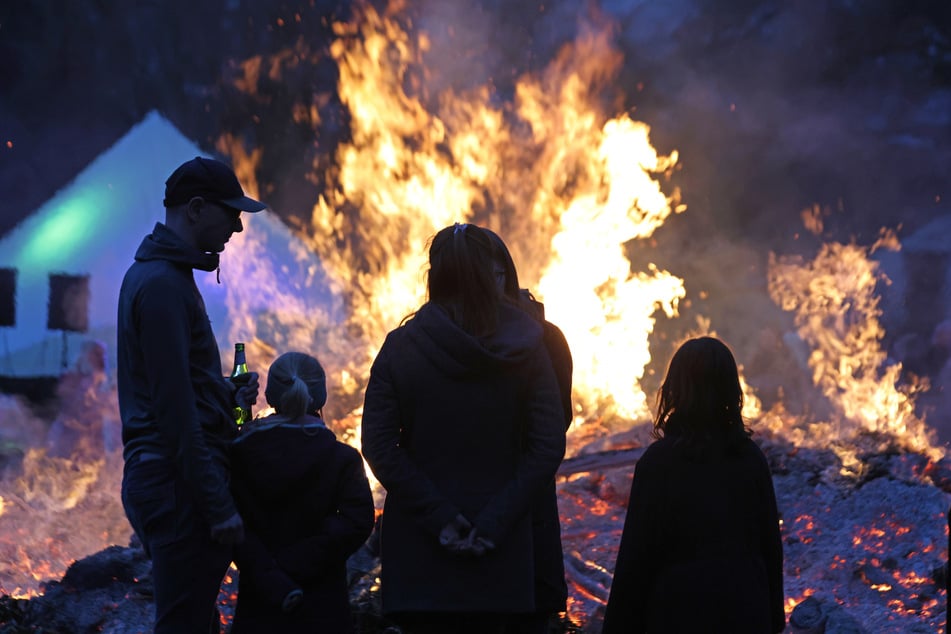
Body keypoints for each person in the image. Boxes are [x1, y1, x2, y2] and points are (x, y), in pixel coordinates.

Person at [361, 222, 567, 634]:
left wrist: (442, 518)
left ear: (436, 276)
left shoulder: (401, 347)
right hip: (504, 559)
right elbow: (547, 444)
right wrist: (493, 524)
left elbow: (379, 446)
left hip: (423, 563)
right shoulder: (529, 347)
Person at [117, 156, 266, 633]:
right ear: (197, 208)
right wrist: (216, 503)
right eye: (232, 213)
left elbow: (180, 390)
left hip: (171, 480)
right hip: (175, 485)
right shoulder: (162, 286)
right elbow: (174, 411)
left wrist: (226, 397)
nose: (238, 228)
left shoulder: (165, 278)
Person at [601, 336, 785, 634]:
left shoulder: (659, 463)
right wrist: (773, 616)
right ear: (730, 390)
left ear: (676, 389)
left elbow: (636, 559)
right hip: (746, 611)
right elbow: (770, 548)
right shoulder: (751, 459)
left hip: (679, 612)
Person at [229, 351, 375, 633]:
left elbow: (231, 525)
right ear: (320, 399)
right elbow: (357, 522)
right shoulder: (341, 458)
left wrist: (271, 573)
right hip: (323, 612)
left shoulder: (239, 456)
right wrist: (299, 561)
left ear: (271, 398)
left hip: (260, 609)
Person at [485, 229, 573, 634]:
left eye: (492, 273)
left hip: (527, 507)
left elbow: (556, 425)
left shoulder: (546, 339)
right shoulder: (441, 340)